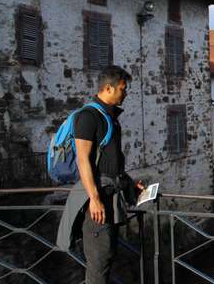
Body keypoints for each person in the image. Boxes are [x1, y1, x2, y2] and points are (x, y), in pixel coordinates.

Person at [56, 65, 144, 284]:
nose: (126, 93)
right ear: (108, 88)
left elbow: (110, 164)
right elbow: (83, 159)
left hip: (109, 197)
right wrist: (94, 199)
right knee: (98, 264)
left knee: (106, 257)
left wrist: (130, 187)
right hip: (97, 202)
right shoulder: (89, 116)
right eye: (123, 89)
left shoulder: (108, 117)